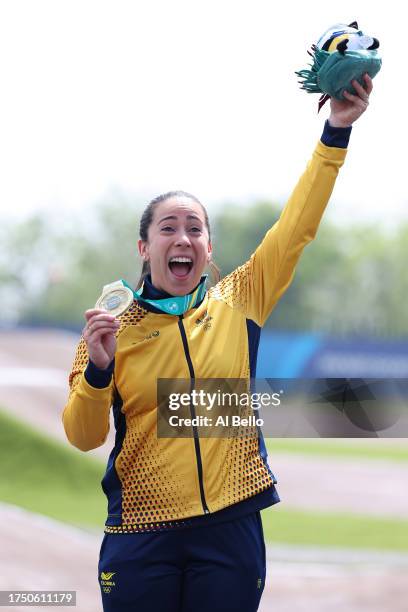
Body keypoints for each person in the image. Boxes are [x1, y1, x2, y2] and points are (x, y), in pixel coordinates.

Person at [62, 75, 373, 612]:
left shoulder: (240, 301)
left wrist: (336, 132)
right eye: (168, 228)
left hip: (230, 528)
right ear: (144, 247)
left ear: (208, 250)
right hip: (142, 531)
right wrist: (98, 370)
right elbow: (83, 436)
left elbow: (296, 226)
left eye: (195, 229)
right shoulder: (110, 328)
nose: (182, 239)